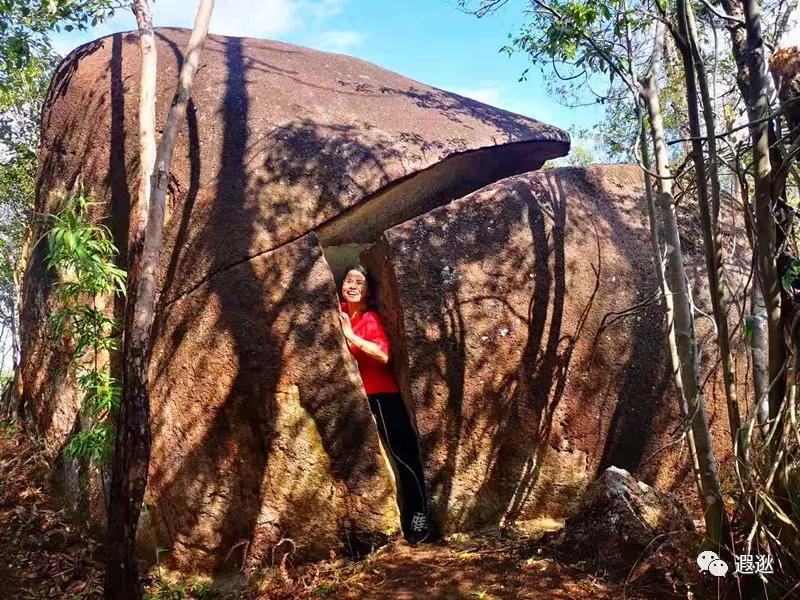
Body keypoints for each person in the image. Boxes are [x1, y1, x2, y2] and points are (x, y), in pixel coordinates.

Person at [338, 264, 430, 544]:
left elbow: (382, 355)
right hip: (358, 399)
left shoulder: (369, 319)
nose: (352, 286)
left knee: (404, 458)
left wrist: (352, 337)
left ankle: (420, 518)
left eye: (359, 283)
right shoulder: (339, 311)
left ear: (367, 291)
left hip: (383, 396)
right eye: (348, 281)